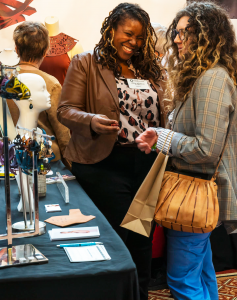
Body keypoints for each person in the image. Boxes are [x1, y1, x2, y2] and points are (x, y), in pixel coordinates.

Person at [135, 2, 237, 299]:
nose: (176, 38)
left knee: (183, 280)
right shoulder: (207, 75)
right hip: (194, 192)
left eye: (186, 32)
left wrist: (162, 136)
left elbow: (206, 149)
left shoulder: (212, 79)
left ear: (207, 36)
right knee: (200, 272)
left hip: (194, 191)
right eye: (176, 31)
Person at [57, 3, 165, 299]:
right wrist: (90, 120)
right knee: (117, 240)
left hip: (146, 167)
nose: (134, 42)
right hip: (104, 165)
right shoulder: (86, 63)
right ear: (111, 30)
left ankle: (139, 295)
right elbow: (65, 111)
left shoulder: (147, 68)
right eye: (128, 34)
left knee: (143, 240)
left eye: (140, 37)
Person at [0, 21, 71, 167]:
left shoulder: (1, 79)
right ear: (46, 50)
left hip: (12, 157)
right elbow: (62, 131)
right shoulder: (51, 83)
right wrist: (70, 167)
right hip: (47, 159)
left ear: (16, 49)